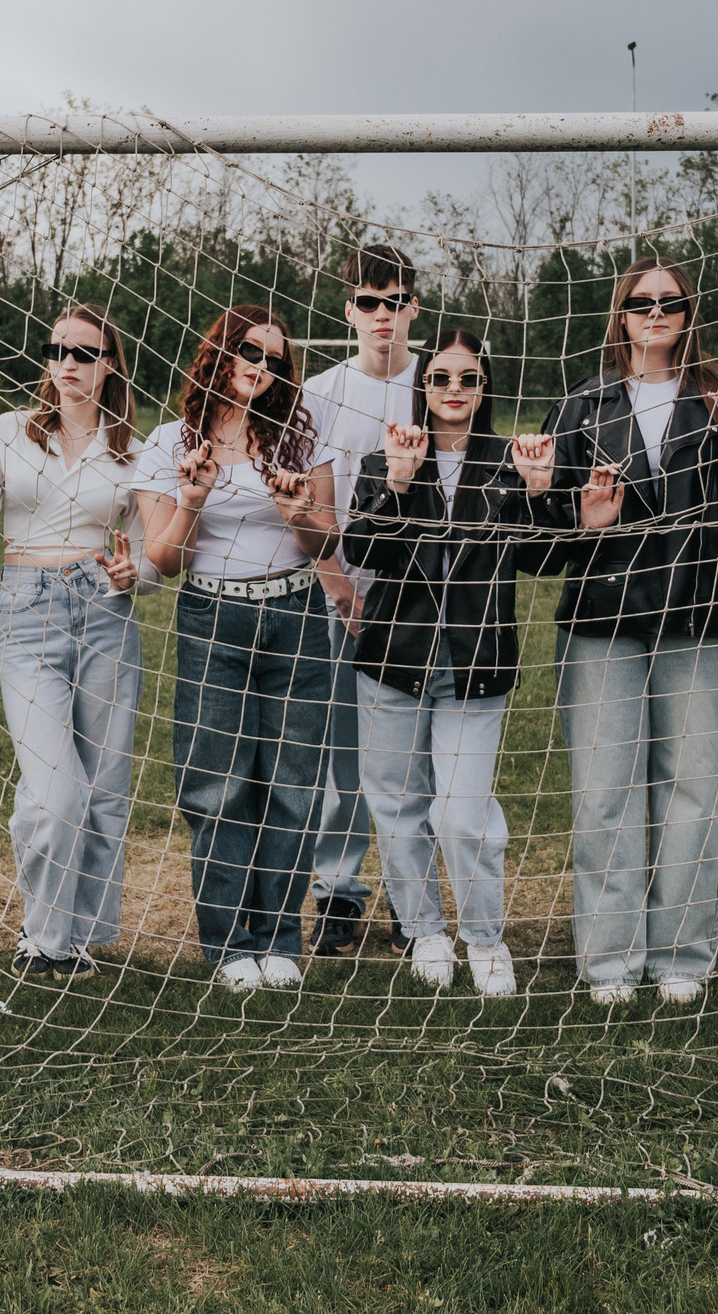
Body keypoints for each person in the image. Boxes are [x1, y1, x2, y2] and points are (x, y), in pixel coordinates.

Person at [545, 257, 718, 1006]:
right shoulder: (583, 406)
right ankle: (610, 960)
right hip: (602, 623)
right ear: (621, 313)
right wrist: (580, 517)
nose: (656, 312)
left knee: (693, 791)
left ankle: (681, 955)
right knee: (604, 793)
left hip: (702, 619)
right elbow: (545, 539)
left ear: (689, 312)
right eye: (641, 302)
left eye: (671, 301)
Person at [343, 330, 559, 996]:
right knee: (398, 806)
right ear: (424, 386)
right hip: (393, 659)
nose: (455, 389)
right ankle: (426, 931)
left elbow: (546, 560)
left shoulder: (507, 461)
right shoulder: (387, 456)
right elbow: (363, 551)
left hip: (475, 664)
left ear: (484, 387)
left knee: (463, 815)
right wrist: (399, 483)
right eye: (441, 377)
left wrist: (540, 491)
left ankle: (485, 938)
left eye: (468, 378)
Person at [135, 305, 341, 993]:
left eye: (275, 360)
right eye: (251, 351)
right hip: (212, 617)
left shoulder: (301, 437)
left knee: (292, 783)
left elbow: (326, 541)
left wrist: (297, 512)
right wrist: (192, 497)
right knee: (217, 787)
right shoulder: (170, 442)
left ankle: (280, 937)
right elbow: (163, 561)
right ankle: (228, 944)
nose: (262, 366)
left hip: (296, 615)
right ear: (220, 352)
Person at [0, 307, 148, 979]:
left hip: (105, 616)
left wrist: (136, 574)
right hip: (29, 613)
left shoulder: (131, 450)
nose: (67, 363)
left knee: (103, 786)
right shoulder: (10, 430)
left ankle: (75, 935)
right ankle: (42, 934)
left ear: (109, 363)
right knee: (53, 790)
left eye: (84, 353)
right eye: (57, 349)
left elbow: (146, 555)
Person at [298, 243, 422, 959]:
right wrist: (336, 584)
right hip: (337, 594)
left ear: (413, 308)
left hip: (416, 598)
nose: (383, 315)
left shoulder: (433, 383)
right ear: (349, 309)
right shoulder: (320, 392)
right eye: (369, 302)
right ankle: (337, 894)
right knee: (337, 752)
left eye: (395, 301)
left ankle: (412, 901)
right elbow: (313, 502)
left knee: (408, 759)